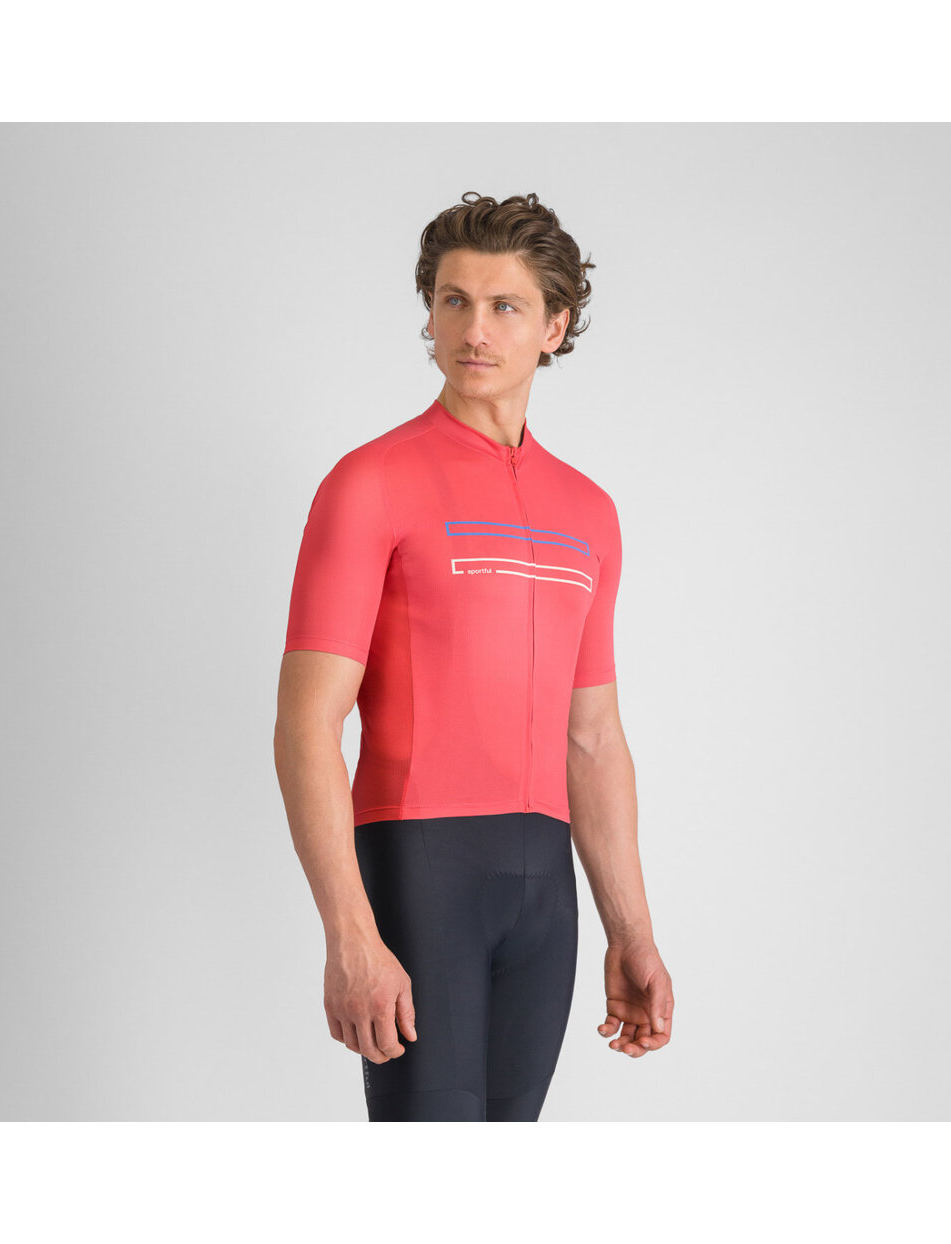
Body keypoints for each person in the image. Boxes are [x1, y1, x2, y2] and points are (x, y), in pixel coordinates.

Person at [274, 191, 674, 1122]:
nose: (474, 330)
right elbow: (306, 724)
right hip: (422, 873)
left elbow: (592, 738)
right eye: (453, 300)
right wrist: (349, 933)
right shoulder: (370, 483)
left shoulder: (590, 512)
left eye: (504, 306)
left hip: (545, 896)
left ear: (554, 327)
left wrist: (632, 930)